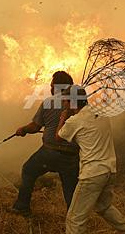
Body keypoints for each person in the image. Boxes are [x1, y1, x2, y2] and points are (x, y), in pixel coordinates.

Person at [57, 86, 125, 234]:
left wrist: (63, 118)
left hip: (92, 174)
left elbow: (58, 137)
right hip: (109, 170)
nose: (64, 104)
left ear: (73, 102)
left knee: (74, 219)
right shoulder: (101, 113)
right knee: (104, 207)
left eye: (66, 101)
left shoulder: (74, 121)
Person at [10, 71, 80, 216]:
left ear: (56, 86)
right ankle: (74, 220)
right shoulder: (79, 103)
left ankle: (21, 207)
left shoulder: (49, 102)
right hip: (71, 156)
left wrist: (23, 130)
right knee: (71, 190)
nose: (50, 87)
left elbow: (35, 127)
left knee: (28, 170)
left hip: (49, 153)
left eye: (52, 85)